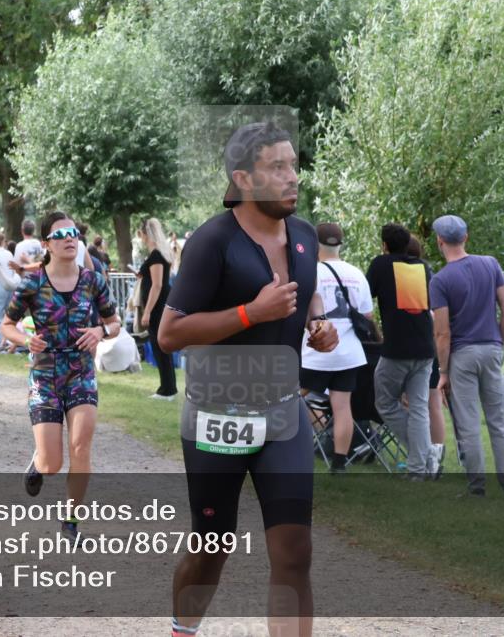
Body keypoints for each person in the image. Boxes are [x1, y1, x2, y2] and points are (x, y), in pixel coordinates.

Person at [158, 122, 338, 637]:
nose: (291, 177)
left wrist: (316, 324)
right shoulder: (212, 241)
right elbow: (170, 333)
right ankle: (182, 630)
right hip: (219, 415)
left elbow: (304, 295)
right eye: (276, 167)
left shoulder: (303, 235)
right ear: (243, 177)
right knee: (212, 547)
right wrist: (249, 314)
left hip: (283, 411)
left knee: (294, 552)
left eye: (293, 165)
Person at [0, 211, 121, 542]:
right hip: (44, 375)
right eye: (61, 234)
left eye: (74, 233)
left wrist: (100, 330)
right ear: (46, 245)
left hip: (81, 373)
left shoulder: (92, 281)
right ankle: (39, 463)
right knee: (53, 462)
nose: (70, 238)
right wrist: (26, 340)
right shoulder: (32, 283)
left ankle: (71, 521)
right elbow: (6, 326)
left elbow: (115, 324)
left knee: (81, 445)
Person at [430, 214, 504, 498]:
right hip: (491, 348)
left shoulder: (440, 280)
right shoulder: (490, 264)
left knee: (468, 423)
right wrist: (498, 341)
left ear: (439, 241)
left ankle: (477, 487)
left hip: (462, 355)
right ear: (466, 236)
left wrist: (443, 372)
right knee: (499, 422)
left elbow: (442, 333)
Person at [300, 222, 374, 473]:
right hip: (348, 353)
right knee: (343, 406)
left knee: (289, 398)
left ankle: (280, 447)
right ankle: (339, 463)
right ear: (340, 244)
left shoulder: (311, 271)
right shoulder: (356, 274)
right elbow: (367, 316)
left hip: (315, 352)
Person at [367, 223, 436, 479]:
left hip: (397, 348)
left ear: (384, 245)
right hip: (425, 348)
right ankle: (421, 466)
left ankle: (424, 456)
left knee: (384, 402)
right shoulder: (422, 267)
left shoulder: (381, 265)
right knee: (419, 407)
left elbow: (366, 297)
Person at [405, 235, 447, 478]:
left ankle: (425, 455)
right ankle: (435, 458)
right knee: (433, 405)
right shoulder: (428, 274)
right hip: (431, 349)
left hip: (420, 348)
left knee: (423, 404)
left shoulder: (410, 277)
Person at [137, 217, 177, 400]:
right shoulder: (160, 253)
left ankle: (167, 389)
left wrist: (147, 312)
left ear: (145, 234)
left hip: (157, 306)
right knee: (161, 345)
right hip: (160, 303)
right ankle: (168, 387)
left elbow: (157, 285)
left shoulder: (156, 255)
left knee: (159, 345)